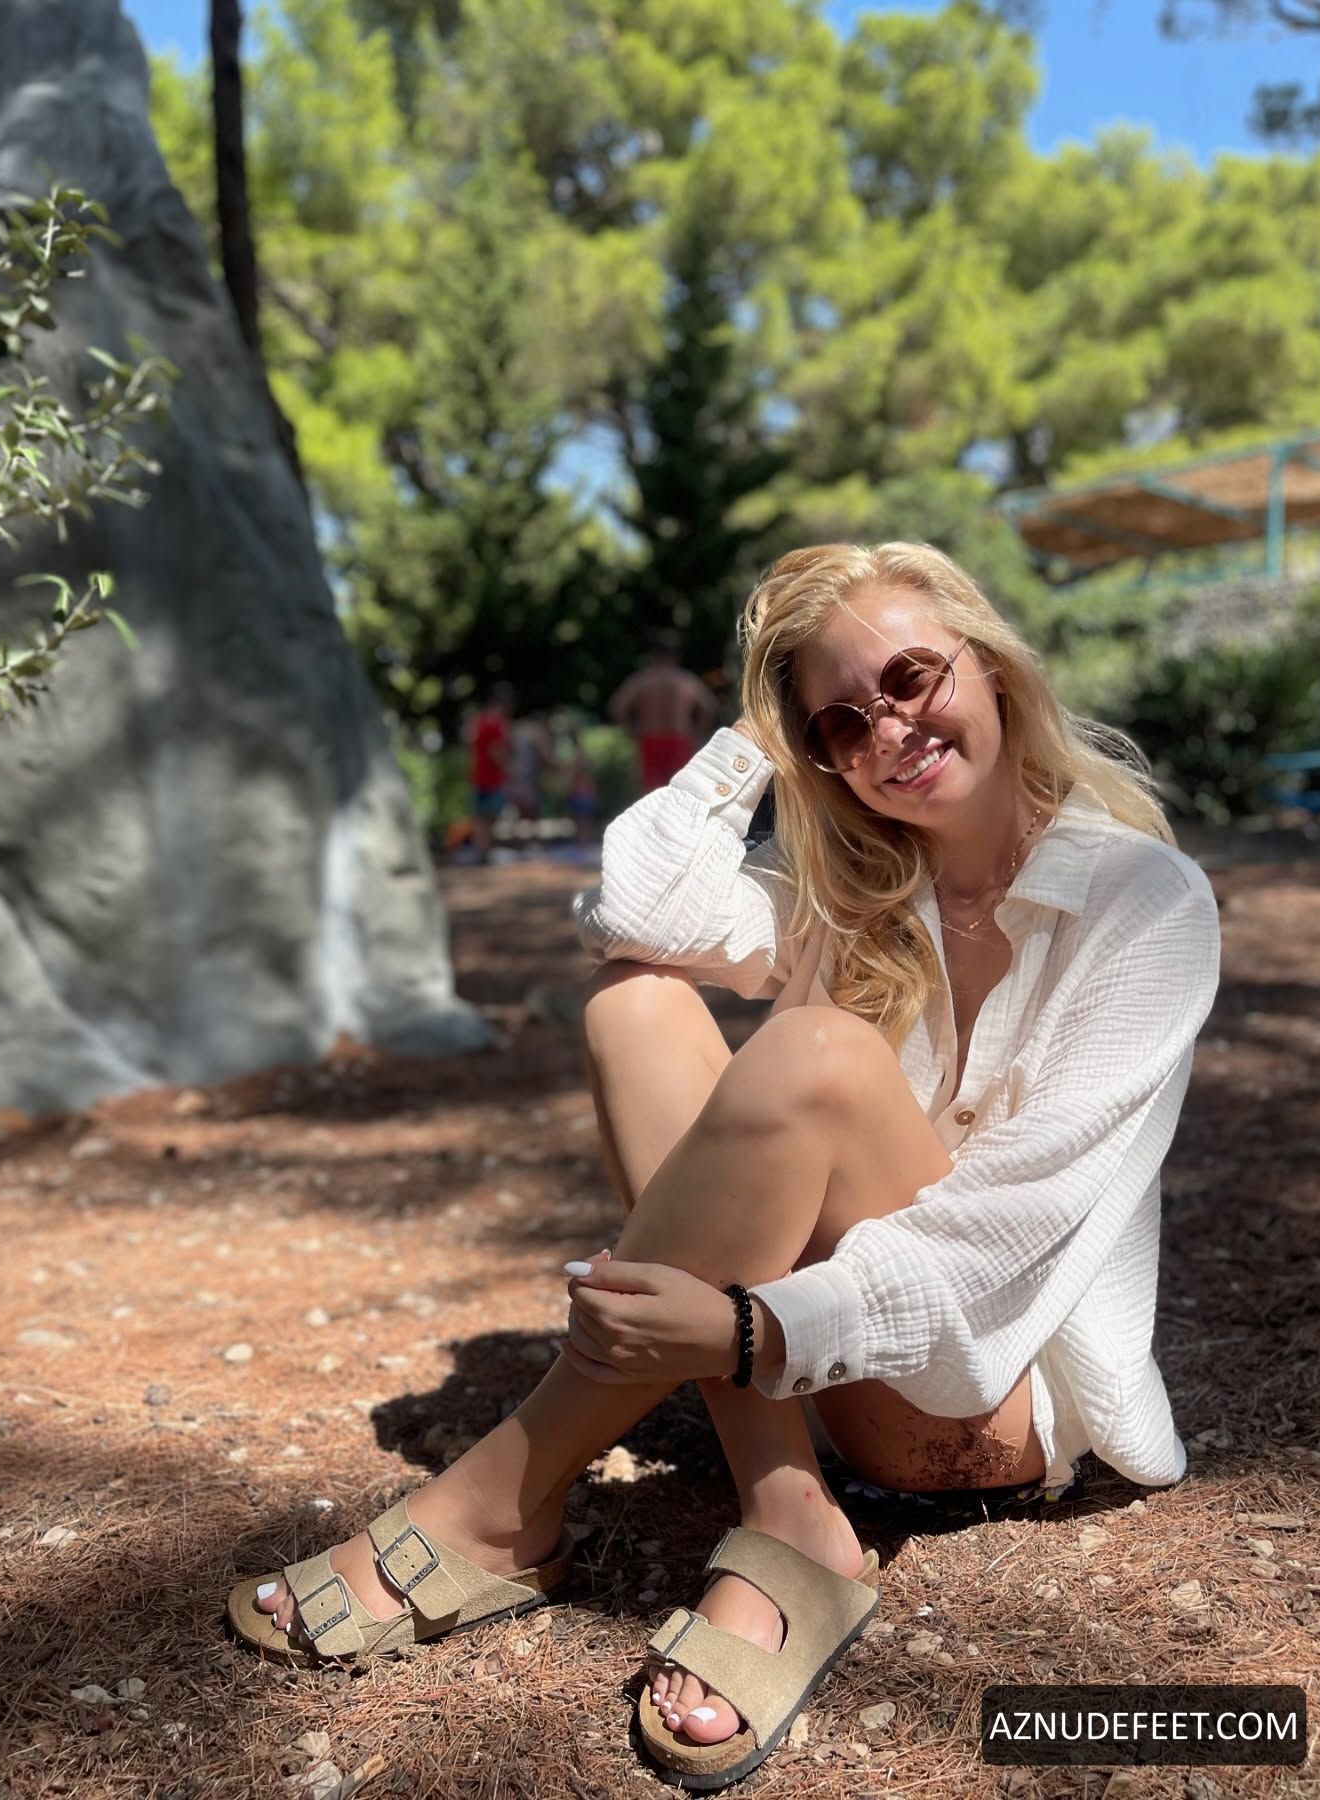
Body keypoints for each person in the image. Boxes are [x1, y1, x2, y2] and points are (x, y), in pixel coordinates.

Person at [227, 543, 1220, 1792]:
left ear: (993, 665)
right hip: (831, 1359)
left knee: (816, 1052)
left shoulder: (1147, 903)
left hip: (985, 1400)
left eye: (912, 677)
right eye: (842, 721)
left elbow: (1005, 1236)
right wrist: (761, 734)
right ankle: (788, 1510)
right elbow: (629, 913)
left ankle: (500, 1497)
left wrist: (756, 1329)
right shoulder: (866, 885)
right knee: (634, 1004)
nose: (891, 731)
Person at [608, 631, 718, 790]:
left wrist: (632, 732)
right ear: (674, 657)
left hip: (651, 738)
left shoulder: (642, 680)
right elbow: (709, 706)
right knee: (680, 790)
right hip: (680, 739)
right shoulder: (686, 680)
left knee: (653, 793)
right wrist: (697, 733)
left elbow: (617, 706)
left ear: (653, 656)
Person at [465, 684, 513, 860]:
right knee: (489, 818)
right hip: (492, 779)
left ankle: (481, 851)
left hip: (479, 776)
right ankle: (485, 852)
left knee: (480, 818)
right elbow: (496, 751)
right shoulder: (496, 723)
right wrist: (509, 769)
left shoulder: (478, 721)